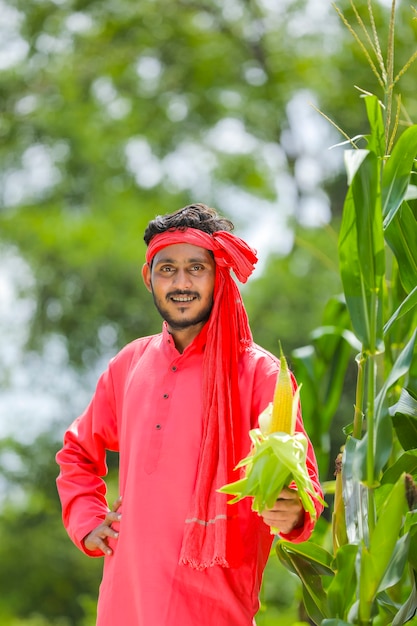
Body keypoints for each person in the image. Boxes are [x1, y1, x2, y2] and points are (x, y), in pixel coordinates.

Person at [56, 203, 323, 626]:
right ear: (149, 278)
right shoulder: (129, 364)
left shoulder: (259, 373)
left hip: (215, 611)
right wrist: (88, 520)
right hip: (124, 608)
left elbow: (301, 485)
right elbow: (77, 453)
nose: (181, 283)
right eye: (167, 270)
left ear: (219, 275)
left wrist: (293, 513)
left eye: (196, 268)